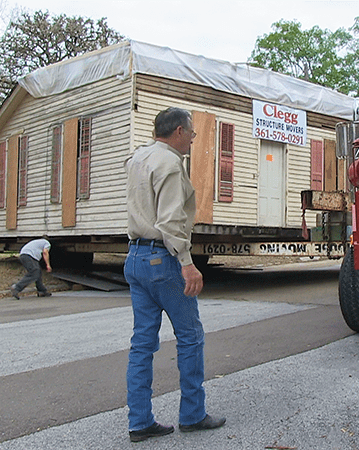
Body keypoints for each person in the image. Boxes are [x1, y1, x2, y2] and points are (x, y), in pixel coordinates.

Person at [123, 107, 225, 443]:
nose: (194, 138)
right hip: (162, 258)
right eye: (192, 133)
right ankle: (193, 414)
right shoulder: (168, 164)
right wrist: (186, 262)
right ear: (179, 131)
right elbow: (168, 221)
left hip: (135, 256)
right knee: (190, 336)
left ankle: (139, 422)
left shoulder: (138, 158)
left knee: (142, 344)